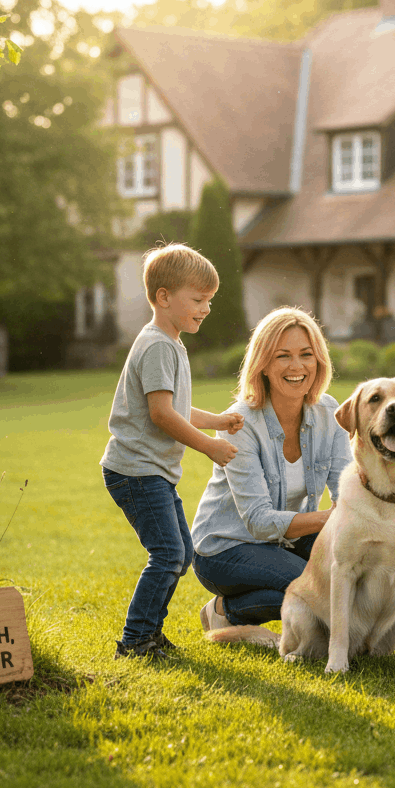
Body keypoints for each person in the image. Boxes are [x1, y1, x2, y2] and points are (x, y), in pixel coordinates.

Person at [101, 243, 246, 661]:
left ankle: (150, 633)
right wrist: (209, 447)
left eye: (210, 301)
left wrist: (217, 421)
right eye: (198, 300)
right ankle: (135, 641)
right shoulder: (159, 346)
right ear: (164, 297)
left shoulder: (170, 344)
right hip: (136, 471)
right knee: (168, 553)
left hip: (150, 472)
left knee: (177, 552)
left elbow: (175, 407)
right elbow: (162, 415)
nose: (206, 308)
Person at [191, 308, 351, 631]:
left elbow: (347, 490)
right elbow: (260, 522)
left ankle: (228, 609)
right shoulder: (239, 423)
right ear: (263, 364)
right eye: (283, 356)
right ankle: (226, 611)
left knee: (345, 573)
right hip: (224, 548)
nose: (297, 366)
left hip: (282, 541)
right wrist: (332, 517)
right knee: (312, 590)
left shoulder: (329, 413)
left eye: (306, 355)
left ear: (319, 361)